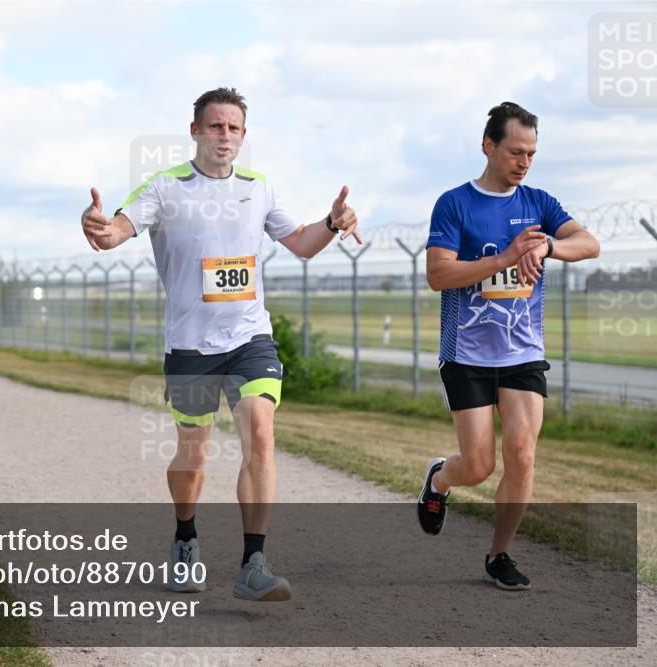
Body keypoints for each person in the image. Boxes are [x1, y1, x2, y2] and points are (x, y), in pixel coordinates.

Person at [80, 87, 361, 601]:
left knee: (260, 432)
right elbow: (115, 232)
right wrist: (97, 227)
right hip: (190, 347)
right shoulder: (165, 188)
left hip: (250, 338)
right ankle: (185, 537)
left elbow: (299, 243)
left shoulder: (259, 188)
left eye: (233, 128)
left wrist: (330, 222)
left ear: (244, 136)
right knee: (194, 454)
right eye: (214, 126)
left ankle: (254, 561)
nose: (224, 135)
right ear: (194, 131)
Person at [417, 102, 600, 591]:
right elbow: (439, 274)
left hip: (523, 353)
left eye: (532, 154)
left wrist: (546, 247)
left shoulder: (539, 202)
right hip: (467, 356)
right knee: (478, 466)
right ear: (489, 146)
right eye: (516, 151)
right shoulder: (455, 203)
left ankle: (499, 555)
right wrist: (505, 256)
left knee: (522, 454)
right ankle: (440, 480)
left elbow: (589, 243)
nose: (524, 162)